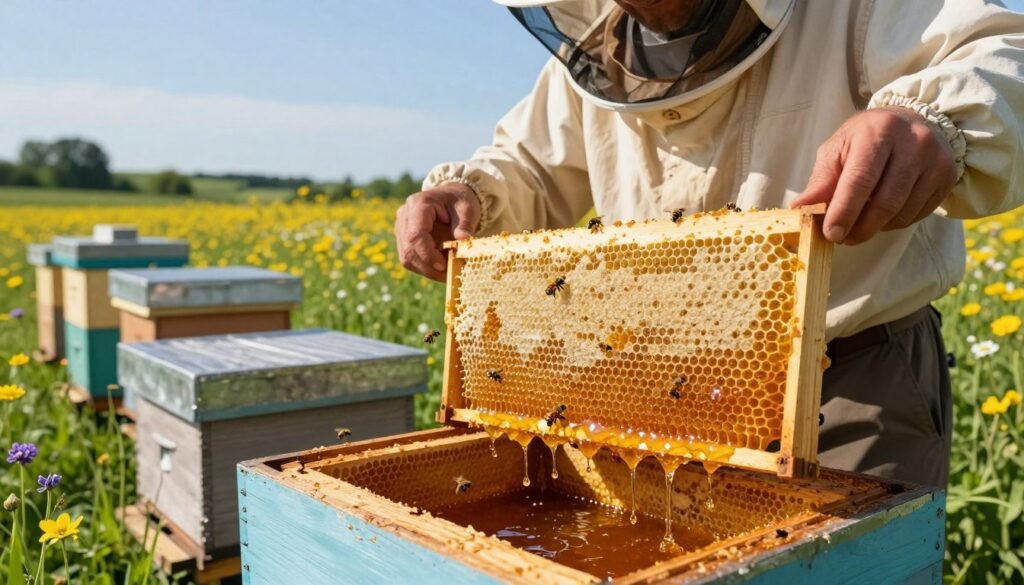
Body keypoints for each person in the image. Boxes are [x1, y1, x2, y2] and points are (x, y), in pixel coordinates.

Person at [394, 0, 1024, 487]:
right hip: (654, 390)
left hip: (849, 381)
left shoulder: (855, 10)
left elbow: (1003, 55)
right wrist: (470, 196)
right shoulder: (599, 42)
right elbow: (529, 163)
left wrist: (931, 121)